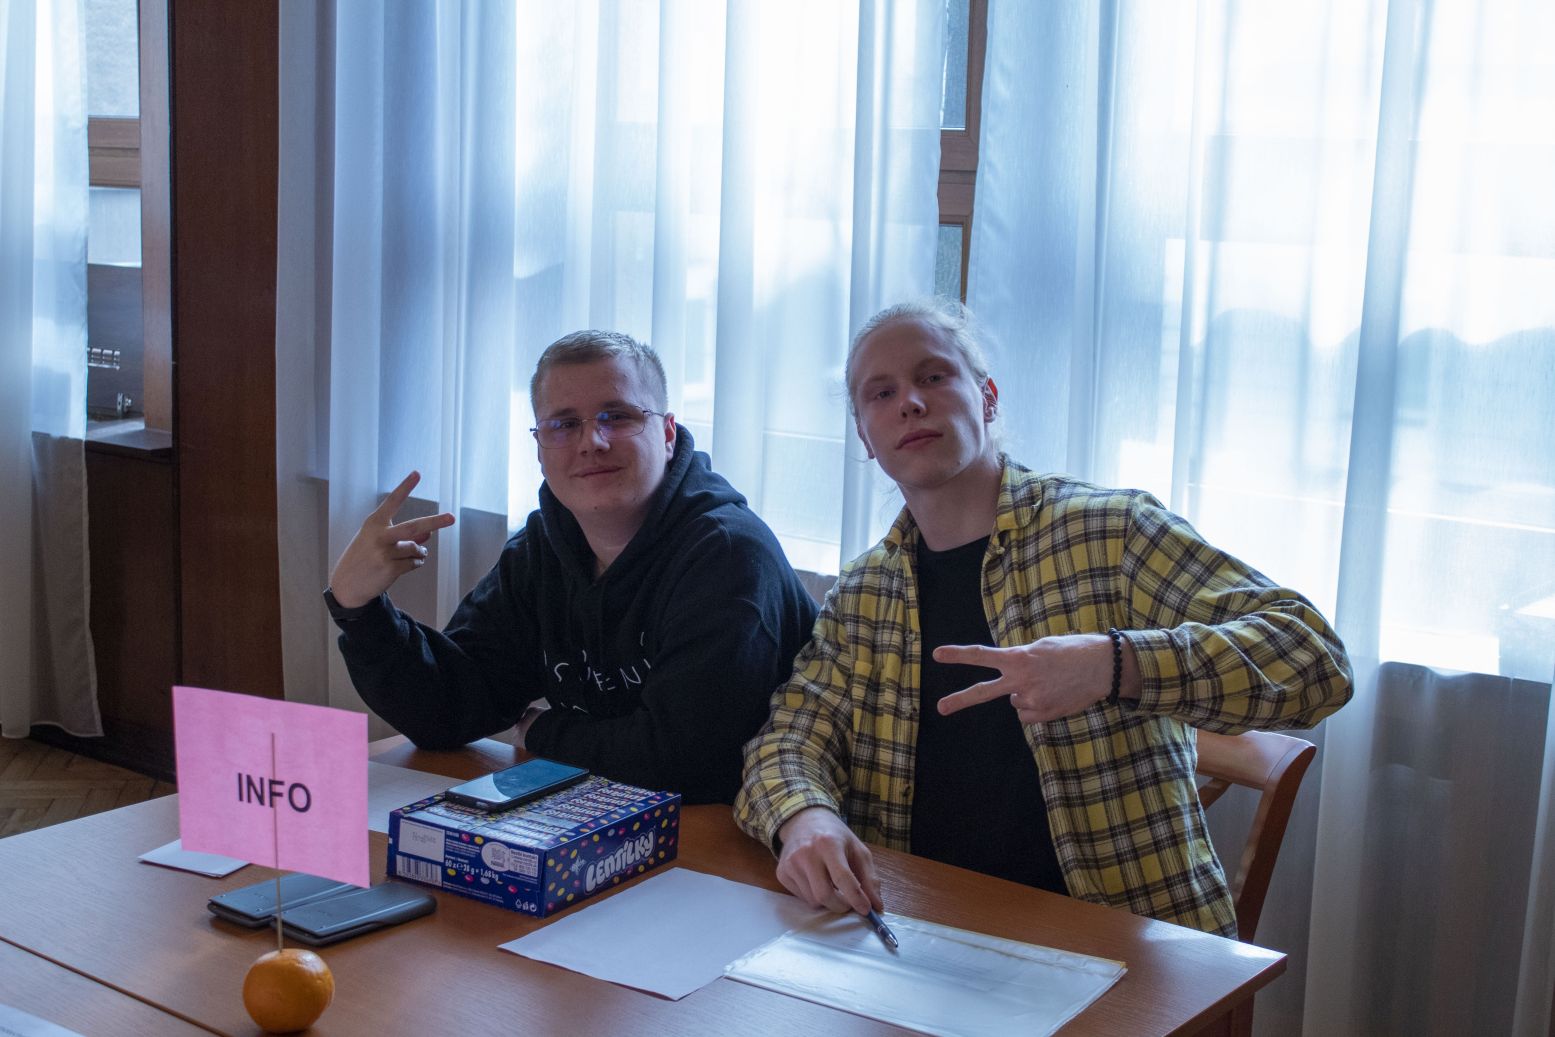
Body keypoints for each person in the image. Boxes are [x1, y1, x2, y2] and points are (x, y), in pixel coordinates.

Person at [733, 300, 1353, 936]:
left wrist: (1114, 663)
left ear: (988, 398)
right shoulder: (863, 593)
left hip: (1120, 941)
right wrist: (803, 817)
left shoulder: (1110, 533)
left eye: (933, 377)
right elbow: (788, 740)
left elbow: (1316, 659)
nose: (910, 403)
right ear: (865, 437)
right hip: (915, 934)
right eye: (881, 393)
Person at [325, 330, 818, 805]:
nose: (592, 442)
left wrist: (543, 731)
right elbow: (450, 709)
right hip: (614, 819)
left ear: (667, 434)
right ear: (540, 448)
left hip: (736, 839)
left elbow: (691, 762)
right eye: (563, 424)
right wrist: (359, 609)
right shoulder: (542, 549)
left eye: (616, 416)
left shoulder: (727, 555)